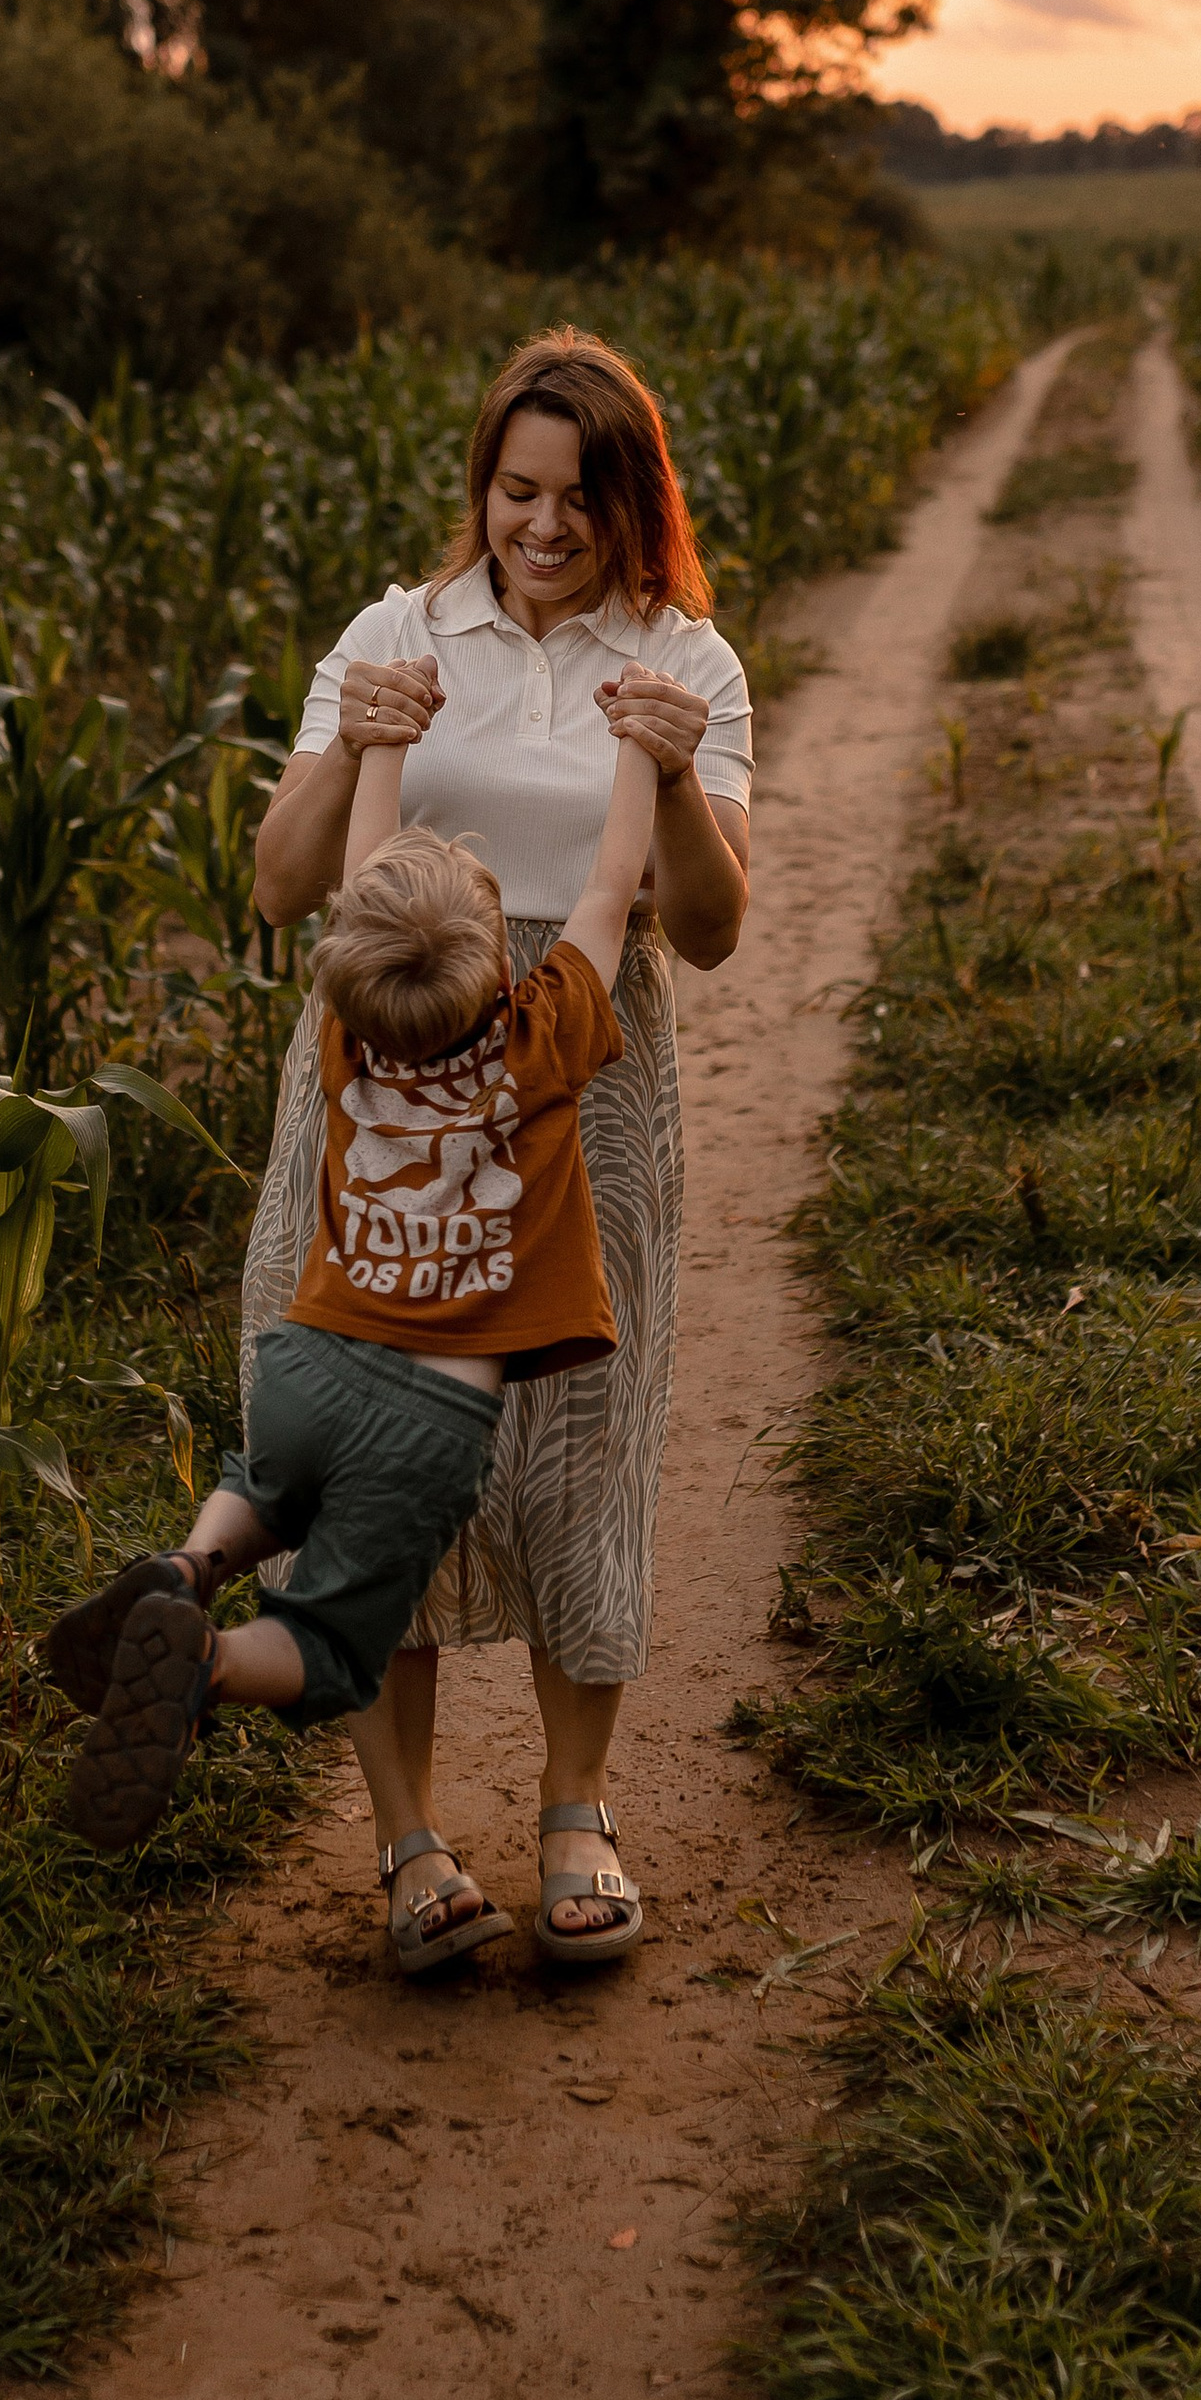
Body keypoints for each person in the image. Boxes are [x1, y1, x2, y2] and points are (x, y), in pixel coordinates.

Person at [241, 330, 751, 1969]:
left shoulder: (690, 657)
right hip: (377, 1069)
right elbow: (280, 884)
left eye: (579, 494)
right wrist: (349, 734)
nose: (541, 526)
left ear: (632, 499)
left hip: (584, 1075)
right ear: (482, 485)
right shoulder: (396, 632)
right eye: (515, 489)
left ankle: (575, 1812)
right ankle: (405, 1842)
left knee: (579, 1445)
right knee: (380, 1445)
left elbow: (712, 925)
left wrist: (670, 769)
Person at [47, 671, 665, 1969]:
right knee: (332, 1633)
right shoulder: (536, 1041)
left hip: (307, 1361)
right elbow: (610, 892)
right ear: (502, 961)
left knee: (271, 1480)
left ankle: (187, 1564)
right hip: (424, 1416)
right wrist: (639, 758)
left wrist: (376, 738)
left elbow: (361, 876)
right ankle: (210, 1665)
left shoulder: (344, 1033)